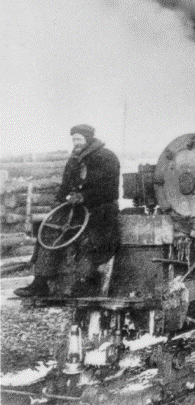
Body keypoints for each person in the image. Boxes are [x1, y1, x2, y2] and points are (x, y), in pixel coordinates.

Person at [15, 125, 120, 298]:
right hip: (74, 210)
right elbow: (65, 186)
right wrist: (58, 202)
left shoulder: (106, 157)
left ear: (89, 139)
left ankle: (85, 283)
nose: (76, 143)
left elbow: (109, 189)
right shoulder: (74, 159)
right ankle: (40, 283)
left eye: (79, 139)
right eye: (74, 139)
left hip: (100, 209)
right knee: (48, 232)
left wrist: (84, 197)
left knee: (91, 240)